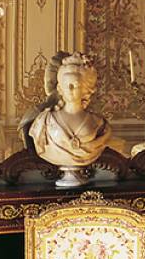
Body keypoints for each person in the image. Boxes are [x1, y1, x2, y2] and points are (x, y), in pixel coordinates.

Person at [22, 52, 112, 186]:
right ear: (60, 88)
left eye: (75, 85)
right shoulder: (45, 121)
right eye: (66, 84)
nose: (70, 89)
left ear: (86, 89)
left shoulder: (98, 123)